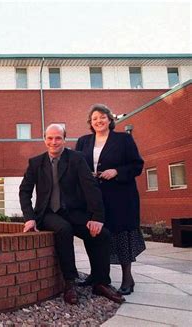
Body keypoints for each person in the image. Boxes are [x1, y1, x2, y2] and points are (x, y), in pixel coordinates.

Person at [19, 124, 125, 305]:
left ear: (64, 139)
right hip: (48, 213)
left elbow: (90, 187)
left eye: (58, 138)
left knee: (101, 234)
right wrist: (29, 217)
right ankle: (69, 284)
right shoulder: (35, 163)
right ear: (44, 140)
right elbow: (25, 191)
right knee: (64, 230)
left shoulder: (76, 159)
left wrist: (97, 218)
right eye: (50, 138)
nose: (54, 142)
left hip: (73, 211)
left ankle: (100, 282)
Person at [75, 104, 145, 295]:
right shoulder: (83, 142)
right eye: (95, 118)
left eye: (102, 117)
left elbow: (137, 165)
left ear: (110, 119)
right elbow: (76, 166)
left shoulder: (124, 139)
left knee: (121, 236)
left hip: (121, 197)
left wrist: (117, 171)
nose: (99, 121)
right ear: (90, 122)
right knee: (94, 235)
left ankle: (127, 278)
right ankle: (96, 275)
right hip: (94, 199)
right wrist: (86, 174)